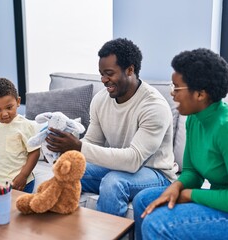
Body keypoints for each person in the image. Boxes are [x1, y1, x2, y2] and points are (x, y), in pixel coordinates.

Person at [132, 48, 228, 240]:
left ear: (200, 94)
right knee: (143, 200)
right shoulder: (194, 119)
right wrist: (177, 186)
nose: (172, 94)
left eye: (177, 88)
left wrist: (189, 195)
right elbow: (193, 172)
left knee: (158, 223)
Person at [45, 38, 177, 217]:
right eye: (101, 73)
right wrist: (65, 151)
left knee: (113, 182)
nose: (104, 80)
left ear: (130, 70)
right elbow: (92, 141)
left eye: (109, 73)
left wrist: (78, 146)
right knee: (68, 170)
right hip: (118, 167)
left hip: (156, 174)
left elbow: (133, 160)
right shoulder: (100, 100)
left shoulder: (154, 106)